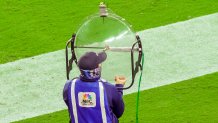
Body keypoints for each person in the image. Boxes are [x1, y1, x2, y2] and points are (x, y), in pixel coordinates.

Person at [63, 51, 126, 123]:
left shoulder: (68, 86)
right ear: (97, 68)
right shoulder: (108, 88)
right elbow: (119, 112)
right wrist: (119, 87)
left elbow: (71, 106)